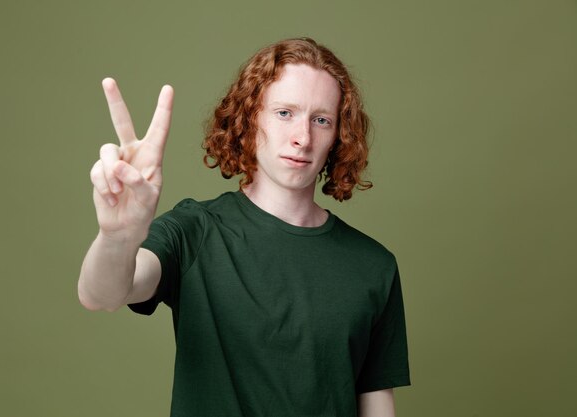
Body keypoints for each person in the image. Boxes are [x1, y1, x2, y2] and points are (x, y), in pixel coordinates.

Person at [78, 37, 410, 417]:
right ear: (250, 119)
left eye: (321, 120)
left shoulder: (373, 265)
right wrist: (117, 237)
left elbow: (377, 403)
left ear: (337, 137)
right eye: (285, 113)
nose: (303, 138)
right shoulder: (195, 231)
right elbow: (101, 294)